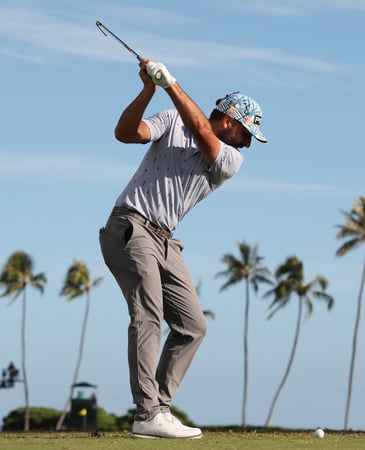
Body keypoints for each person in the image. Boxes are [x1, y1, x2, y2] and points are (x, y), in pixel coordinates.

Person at [99, 59, 268, 439]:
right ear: (230, 120)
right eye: (246, 133)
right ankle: (147, 414)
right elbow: (125, 134)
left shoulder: (229, 160)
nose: (246, 143)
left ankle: (158, 407)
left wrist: (172, 83)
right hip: (130, 226)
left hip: (165, 240)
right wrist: (148, 90)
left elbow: (202, 132)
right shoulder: (170, 120)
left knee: (193, 326)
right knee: (148, 315)